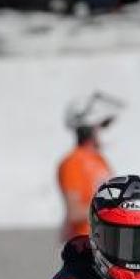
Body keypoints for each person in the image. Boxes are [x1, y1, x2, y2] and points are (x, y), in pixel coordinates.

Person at [57, 91, 123, 242]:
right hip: (85, 245)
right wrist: (115, 207)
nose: (108, 130)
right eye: (104, 125)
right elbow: (74, 212)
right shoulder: (73, 162)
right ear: (90, 128)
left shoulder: (100, 160)